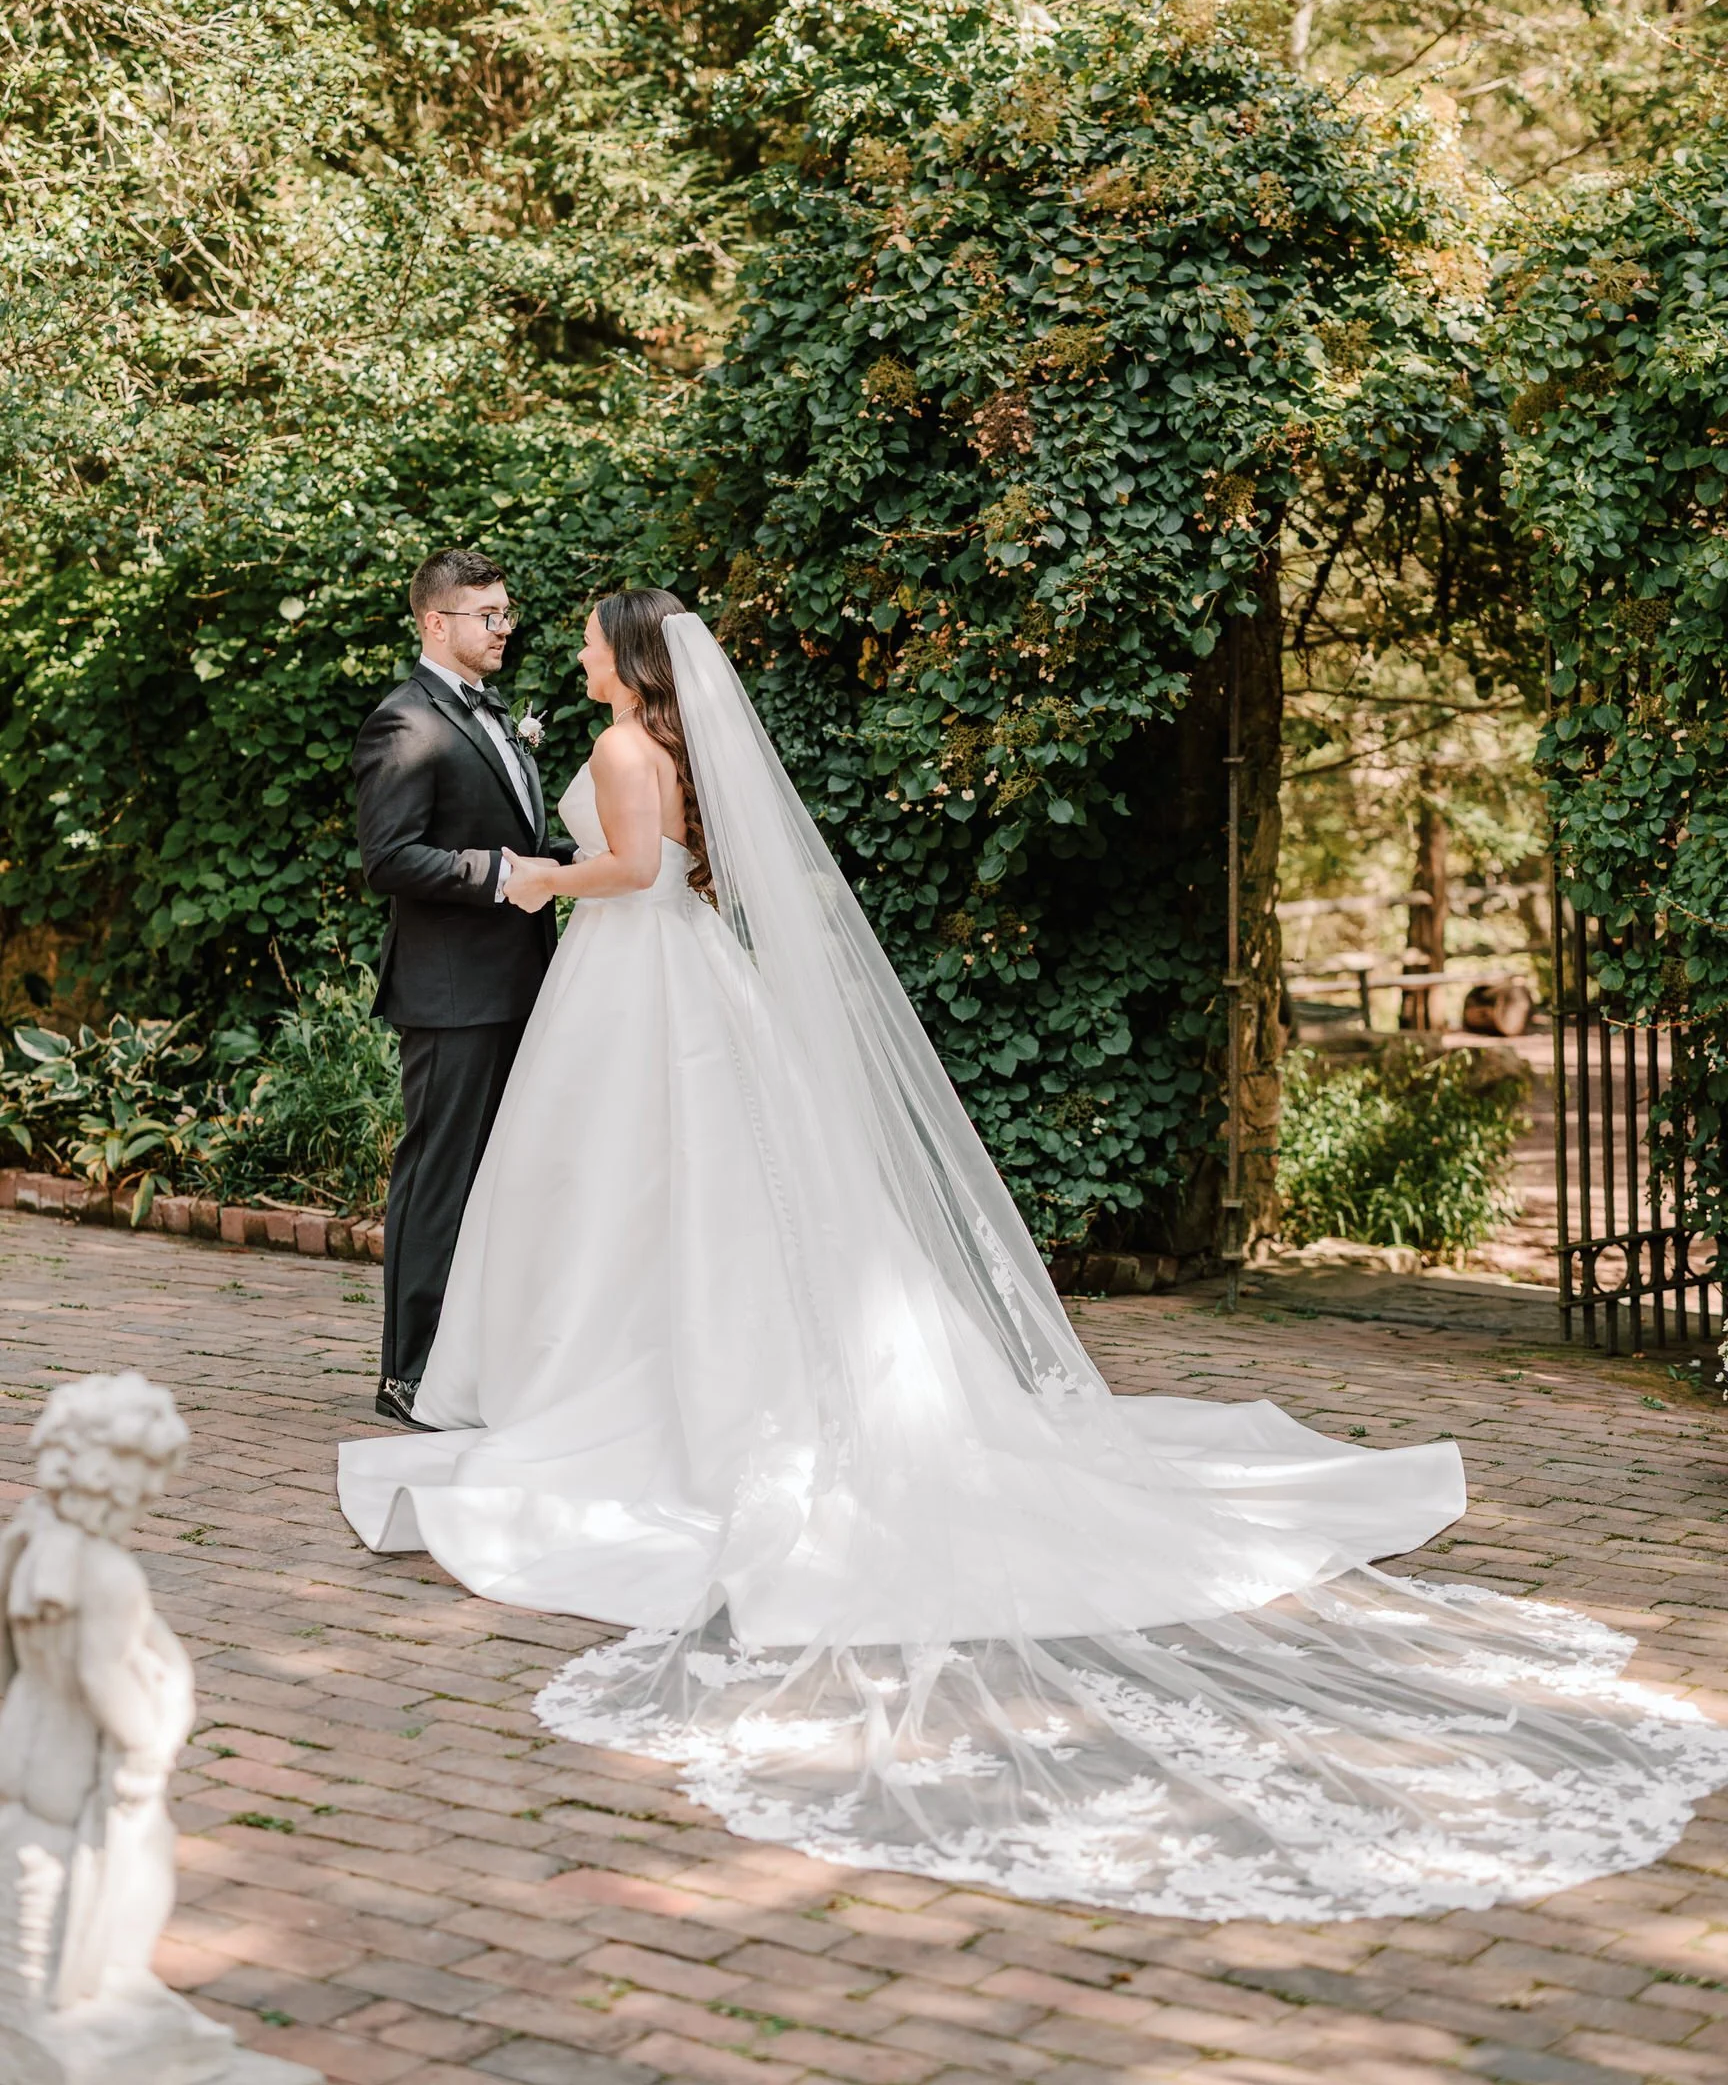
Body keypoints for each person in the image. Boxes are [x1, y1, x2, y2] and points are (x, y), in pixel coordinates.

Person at [339, 590, 1728, 1922]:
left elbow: (634, 874)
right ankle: (618, 1356)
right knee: (675, 1196)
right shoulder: (668, 741)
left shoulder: (619, 745)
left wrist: (537, 876)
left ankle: (616, 1382)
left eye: (587, 636)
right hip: (668, 977)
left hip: (636, 972)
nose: (569, 647)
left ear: (628, 659)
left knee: (652, 1190)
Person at [351, 548, 570, 1426]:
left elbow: (516, 840)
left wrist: (572, 866)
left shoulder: (497, 714)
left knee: (506, 1180)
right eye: (489, 615)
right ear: (437, 623)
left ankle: (476, 1365)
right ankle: (408, 1372)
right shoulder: (404, 722)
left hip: (522, 983)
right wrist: (503, 873)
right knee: (439, 1180)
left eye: (506, 611)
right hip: (451, 994)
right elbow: (390, 858)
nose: (505, 627)